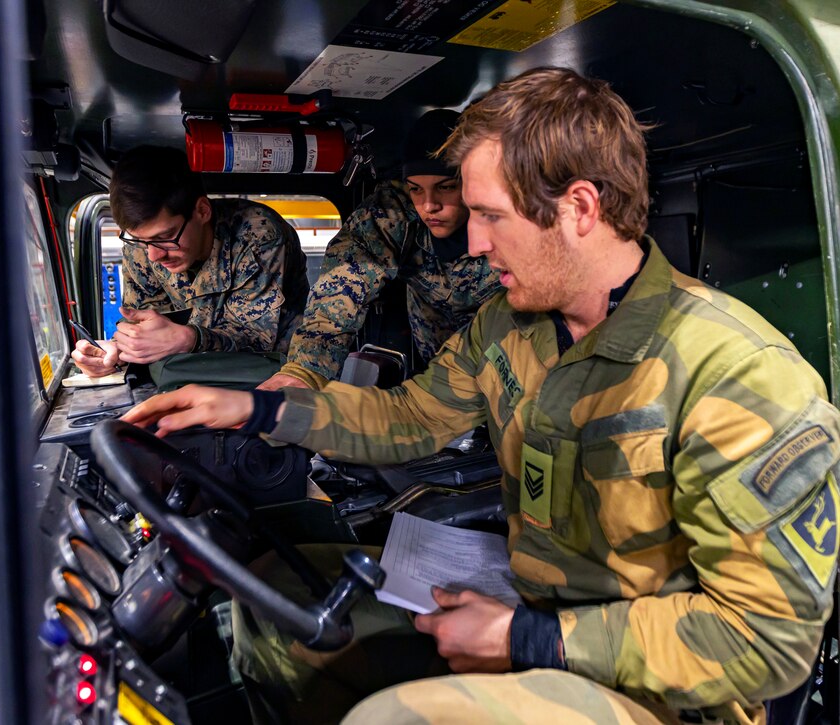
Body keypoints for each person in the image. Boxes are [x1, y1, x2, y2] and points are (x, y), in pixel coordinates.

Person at [122, 67, 840, 724]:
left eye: (490, 215)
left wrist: (526, 639)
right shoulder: (511, 325)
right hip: (527, 613)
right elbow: (409, 418)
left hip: (659, 691)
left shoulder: (738, 377)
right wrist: (262, 408)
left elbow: (768, 640)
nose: (471, 241)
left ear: (580, 207)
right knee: (277, 599)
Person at [259, 109, 500, 391]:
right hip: (440, 368)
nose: (429, 205)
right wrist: (304, 371)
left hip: (509, 363)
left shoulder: (510, 218)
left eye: (446, 187)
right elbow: (341, 286)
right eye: (416, 189)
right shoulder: (393, 211)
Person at [72, 145, 309, 374]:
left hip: (274, 373)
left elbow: (258, 339)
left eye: (165, 237)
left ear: (202, 211)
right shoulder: (143, 247)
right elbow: (143, 320)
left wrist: (188, 338)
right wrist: (118, 352)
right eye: (140, 241)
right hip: (186, 371)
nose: (154, 255)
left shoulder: (257, 235)